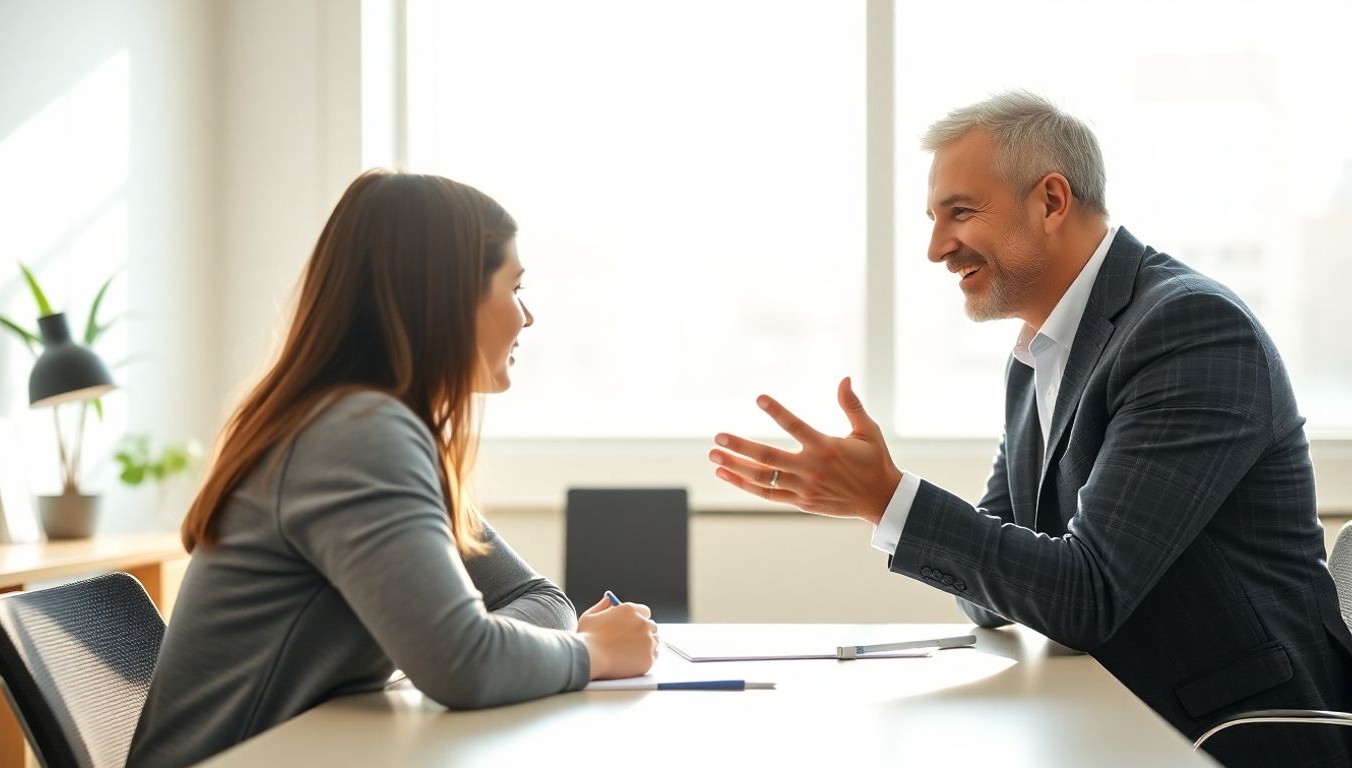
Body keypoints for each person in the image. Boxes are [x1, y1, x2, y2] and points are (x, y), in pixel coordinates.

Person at [708, 92, 1352, 767]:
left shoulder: (1188, 330)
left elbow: (1087, 595)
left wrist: (889, 500)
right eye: (932, 219)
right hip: (1120, 714)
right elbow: (1001, 587)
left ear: (1050, 201)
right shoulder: (1040, 353)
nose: (934, 248)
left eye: (960, 213)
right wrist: (884, 503)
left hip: (1237, 735)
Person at [129, 170, 658, 767]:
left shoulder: (368, 427)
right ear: (448, 299)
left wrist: (517, 647)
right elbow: (462, 663)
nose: (527, 317)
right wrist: (592, 653)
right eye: (514, 287)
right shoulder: (355, 437)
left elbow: (530, 597)